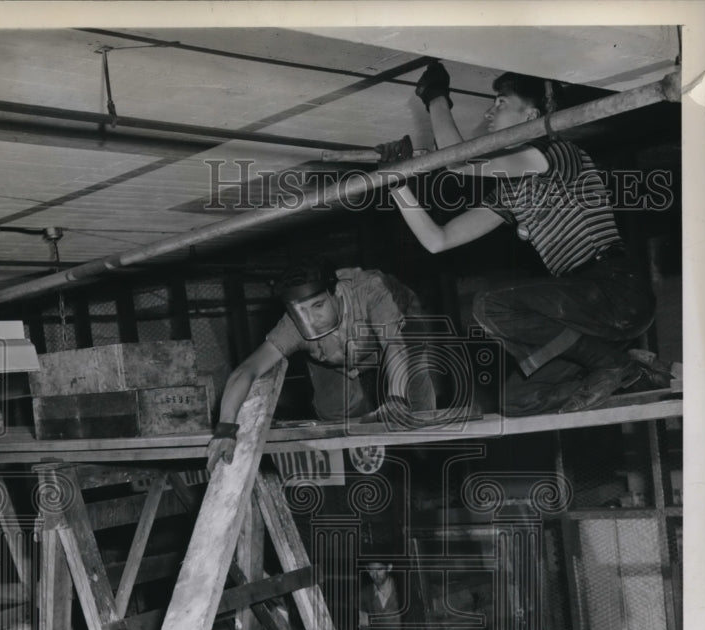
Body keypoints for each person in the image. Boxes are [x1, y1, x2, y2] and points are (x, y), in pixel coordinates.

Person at [385, 62, 676, 416]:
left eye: (501, 102)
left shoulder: (557, 153)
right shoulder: (511, 193)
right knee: (516, 401)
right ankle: (627, 368)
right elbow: (439, 239)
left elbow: (460, 162)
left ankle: (613, 365)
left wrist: (435, 97)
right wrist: (397, 185)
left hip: (615, 289)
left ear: (533, 115)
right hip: (588, 319)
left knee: (492, 305)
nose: (490, 111)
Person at [207, 257, 438, 472]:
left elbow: (394, 347)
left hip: (399, 333)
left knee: (415, 403)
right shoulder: (294, 325)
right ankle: (365, 434)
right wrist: (225, 428)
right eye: (300, 311)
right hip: (338, 356)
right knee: (334, 412)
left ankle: (427, 459)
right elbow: (247, 370)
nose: (310, 320)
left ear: (335, 292)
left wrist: (396, 400)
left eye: (317, 306)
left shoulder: (371, 291)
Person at [359, 560, 405, 630]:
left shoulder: (403, 589)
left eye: (379, 569)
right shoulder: (364, 594)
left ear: (389, 568)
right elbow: (364, 626)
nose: (375, 575)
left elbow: (417, 628)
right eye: (371, 570)